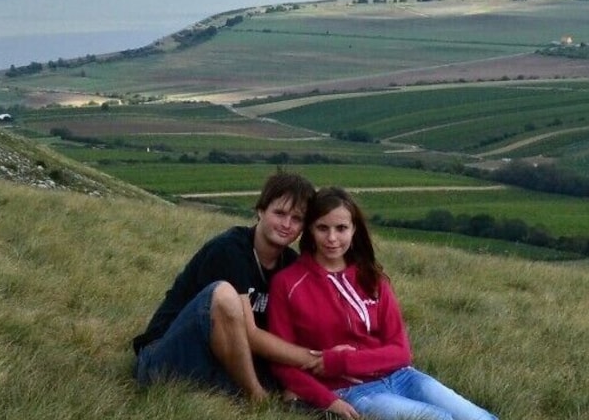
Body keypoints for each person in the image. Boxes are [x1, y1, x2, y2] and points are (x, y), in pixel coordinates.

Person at [267, 187, 496, 420]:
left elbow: (401, 352)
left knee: (480, 418)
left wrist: (341, 361)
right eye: (322, 228)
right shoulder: (287, 283)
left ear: (354, 229)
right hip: (350, 391)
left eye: (341, 228)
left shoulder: (372, 278)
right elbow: (282, 365)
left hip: (403, 376)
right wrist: (329, 400)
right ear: (310, 230)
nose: (332, 238)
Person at [132, 172, 322, 403]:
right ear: (260, 210)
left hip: (219, 362)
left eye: (297, 218)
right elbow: (250, 335)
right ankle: (256, 398)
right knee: (223, 295)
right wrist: (314, 359)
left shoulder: (291, 265)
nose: (286, 224)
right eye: (279, 213)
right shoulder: (229, 249)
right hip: (165, 357)